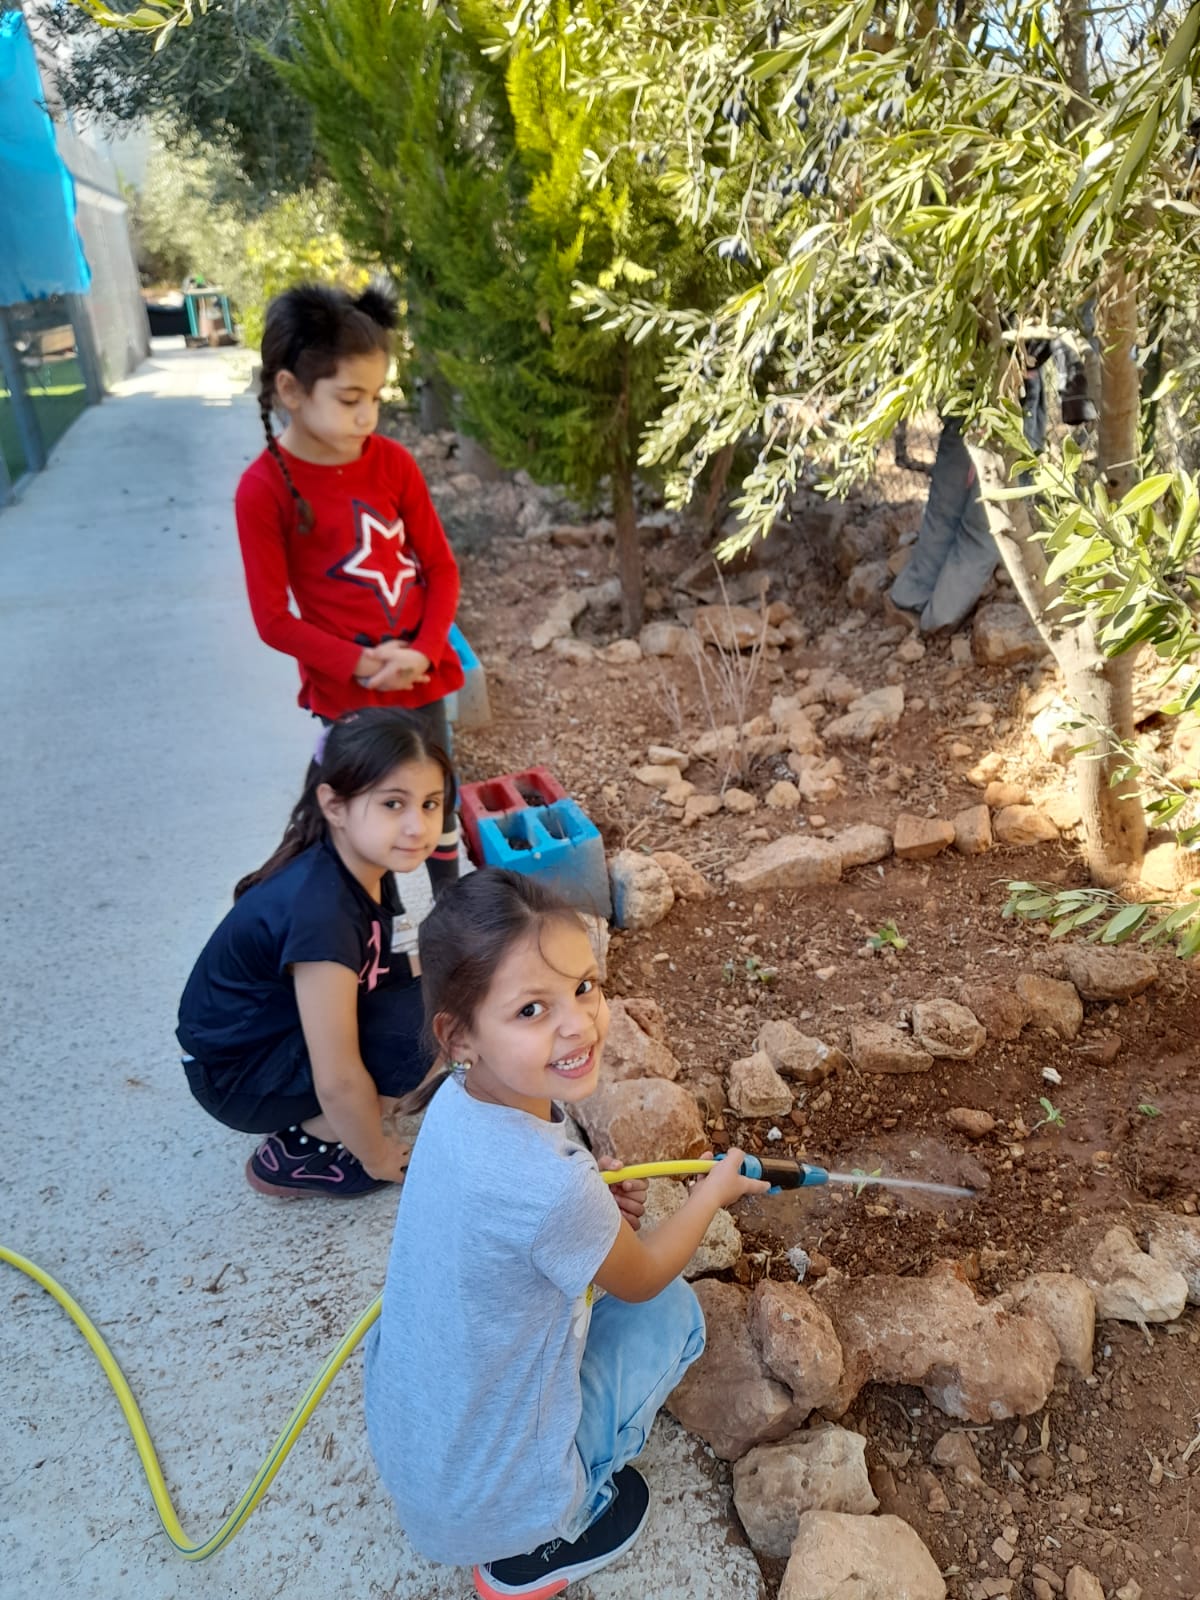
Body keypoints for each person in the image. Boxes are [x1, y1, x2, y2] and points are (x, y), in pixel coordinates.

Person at [364, 870, 770, 1597]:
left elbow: (515, 1238)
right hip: (486, 1510)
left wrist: (593, 1214)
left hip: (420, 1458)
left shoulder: (456, 1109)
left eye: (584, 986)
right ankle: (543, 1540)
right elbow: (642, 1278)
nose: (578, 1024)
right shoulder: (553, 1184)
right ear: (460, 1036)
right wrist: (712, 1192)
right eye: (531, 1009)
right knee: (672, 1312)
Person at [177, 709, 457, 1198]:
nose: (418, 826)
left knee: (440, 991)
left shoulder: (359, 863)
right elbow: (338, 1078)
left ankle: (327, 1121)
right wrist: (377, 1155)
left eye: (430, 804)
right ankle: (304, 1150)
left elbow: (380, 965)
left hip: (257, 1043)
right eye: (393, 804)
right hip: (237, 1078)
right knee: (427, 1026)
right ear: (334, 804)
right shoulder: (322, 914)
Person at [235, 279, 465, 790]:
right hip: (345, 695)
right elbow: (272, 619)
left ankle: (452, 878)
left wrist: (422, 652)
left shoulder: (394, 463)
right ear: (291, 390)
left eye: (376, 397)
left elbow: (442, 569)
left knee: (434, 801)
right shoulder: (262, 490)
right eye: (348, 398)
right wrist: (361, 664)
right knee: (365, 816)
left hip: (417, 674)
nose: (368, 415)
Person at [888, 335, 1094, 635]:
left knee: (944, 508)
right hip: (1015, 395)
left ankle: (908, 598)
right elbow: (1062, 330)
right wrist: (1073, 395)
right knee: (982, 526)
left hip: (971, 383)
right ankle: (938, 619)